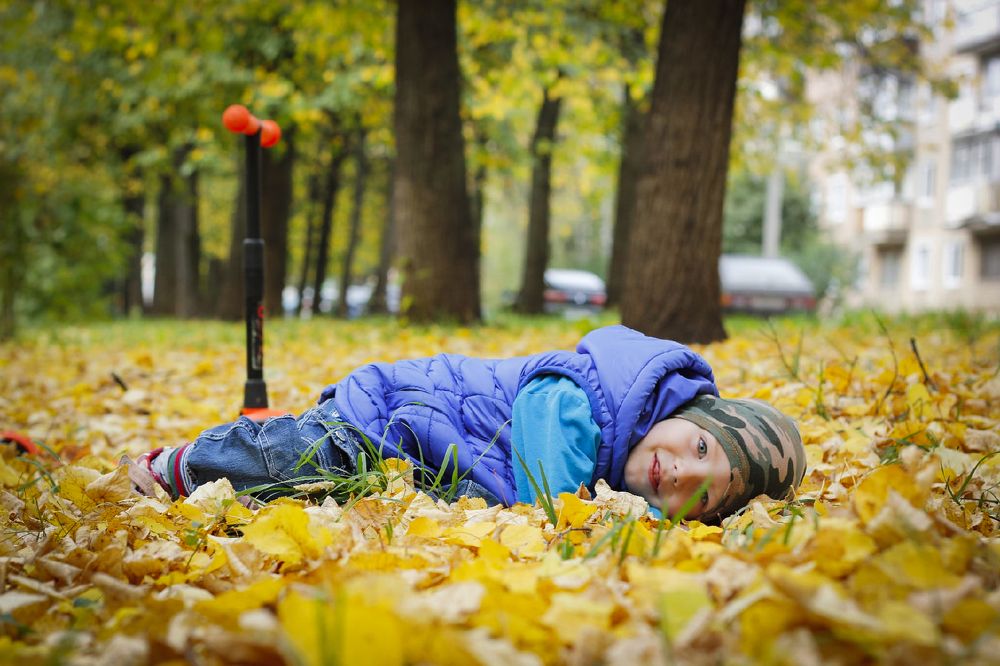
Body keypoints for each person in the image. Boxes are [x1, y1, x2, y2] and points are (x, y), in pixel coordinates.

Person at [127, 325, 806, 523]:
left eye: (704, 494)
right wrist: (600, 519)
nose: (683, 472)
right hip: (392, 419)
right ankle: (178, 467)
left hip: (420, 468)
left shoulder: (619, 473)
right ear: (684, 413)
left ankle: (233, 478)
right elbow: (546, 494)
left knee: (314, 498)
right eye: (700, 446)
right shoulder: (588, 399)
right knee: (307, 460)